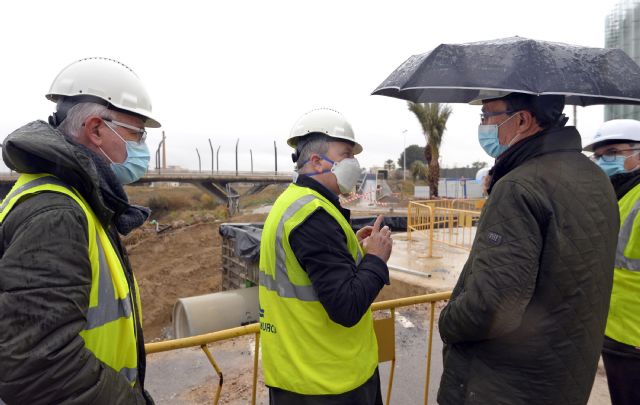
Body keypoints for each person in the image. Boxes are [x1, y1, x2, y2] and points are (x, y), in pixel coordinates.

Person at [437, 92, 619, 405]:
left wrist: (448, 321)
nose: (483, 126)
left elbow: (491, 308)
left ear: (522, 120)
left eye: (487, 116)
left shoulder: (519, 187)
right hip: (563, 377)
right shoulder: (595, 177)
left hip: (504, 385)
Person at [0, 57, 160, 404]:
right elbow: (38, 366)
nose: (142, 148)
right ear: (96, 129)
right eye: (137, 134)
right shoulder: (56, 215)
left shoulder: (77, 201)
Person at [258, 108, 393, 404]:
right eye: (346, 155)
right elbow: (346, 306)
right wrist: (375, 260)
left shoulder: (293, 203)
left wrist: (351, 250)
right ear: (317, 161)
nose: (354, 164)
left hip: (301, 374)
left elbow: (309, 271)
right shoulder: (313, 216)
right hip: (329, 383)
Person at [584, 119, 640, 405]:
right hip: (616, 333)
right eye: (598, 155)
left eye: (612, 153)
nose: (602, 161)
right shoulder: (620, 195)